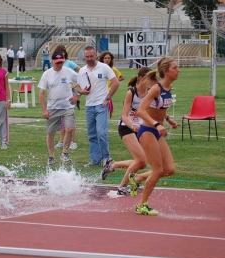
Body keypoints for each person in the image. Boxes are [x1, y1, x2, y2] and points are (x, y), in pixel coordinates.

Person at [128, 56, 179, 216]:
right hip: (148, 131)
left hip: (157, 131)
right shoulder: (156, 88)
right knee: (157, 170)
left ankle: (137, 179)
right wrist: (156, 124)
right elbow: (141, 111)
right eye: (175, 68)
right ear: (165, 71)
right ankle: (141, 205)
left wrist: (168, 119)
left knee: (169, 169)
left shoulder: (168, 88)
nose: (178, 71)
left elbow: (158, 110)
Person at [101, 67, 152, 196]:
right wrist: (133, 126)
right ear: (141, 79)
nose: (152, 81)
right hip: (126, 127)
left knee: (142, 163)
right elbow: (124, 115)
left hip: (140, 128)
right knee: (140, 160)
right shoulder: (132, 93)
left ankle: (112, 165)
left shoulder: (150, 93)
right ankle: (122, 187)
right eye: (149, 78)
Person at [74, 46, 120, 167]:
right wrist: (81, 92)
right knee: (92, 134)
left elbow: (116, 83)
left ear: (95, 55)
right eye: (87, 57)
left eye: (91, 56)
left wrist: (108, 97)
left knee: (101, 132)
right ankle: (95, 160)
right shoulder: (82, 70)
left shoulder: (104, 67)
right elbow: (78, 87)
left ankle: (106, 158)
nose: (89, 59)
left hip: (101, 104)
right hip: (89, 105)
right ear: (84, 57)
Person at [38, 52, 78, 165]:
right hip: (53, 107)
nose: (59, 65)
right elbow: (41, 93)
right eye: (57, 63)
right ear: (52, 62)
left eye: (61, 62)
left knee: (69, 129)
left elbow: (82, 81)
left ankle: (65, 153)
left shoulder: (69, 72)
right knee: (51, 132)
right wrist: (44, 110)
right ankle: (51, 156)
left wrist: (77, 96)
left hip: (68, 106)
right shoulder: (47, 74)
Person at [53, 44, 81, 150]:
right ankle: (61, 140)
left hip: (70, 94)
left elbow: (81, 71)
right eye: (59, 51)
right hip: (60, 96)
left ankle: (73, 141)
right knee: (61, 119)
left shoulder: (69, 63)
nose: (62, 53)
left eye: (63, 51)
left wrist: (73, 85)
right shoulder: (55, 64)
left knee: (70, 119)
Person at [99, 51, 124, 118]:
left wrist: (113, 81)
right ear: (102, 59)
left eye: (109, 58)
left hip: (108, 92)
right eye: (105, 58)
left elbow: (121, 77)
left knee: (105, 108)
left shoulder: (113, 69)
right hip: (99, 91)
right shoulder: (98, 68)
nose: (107, 60)